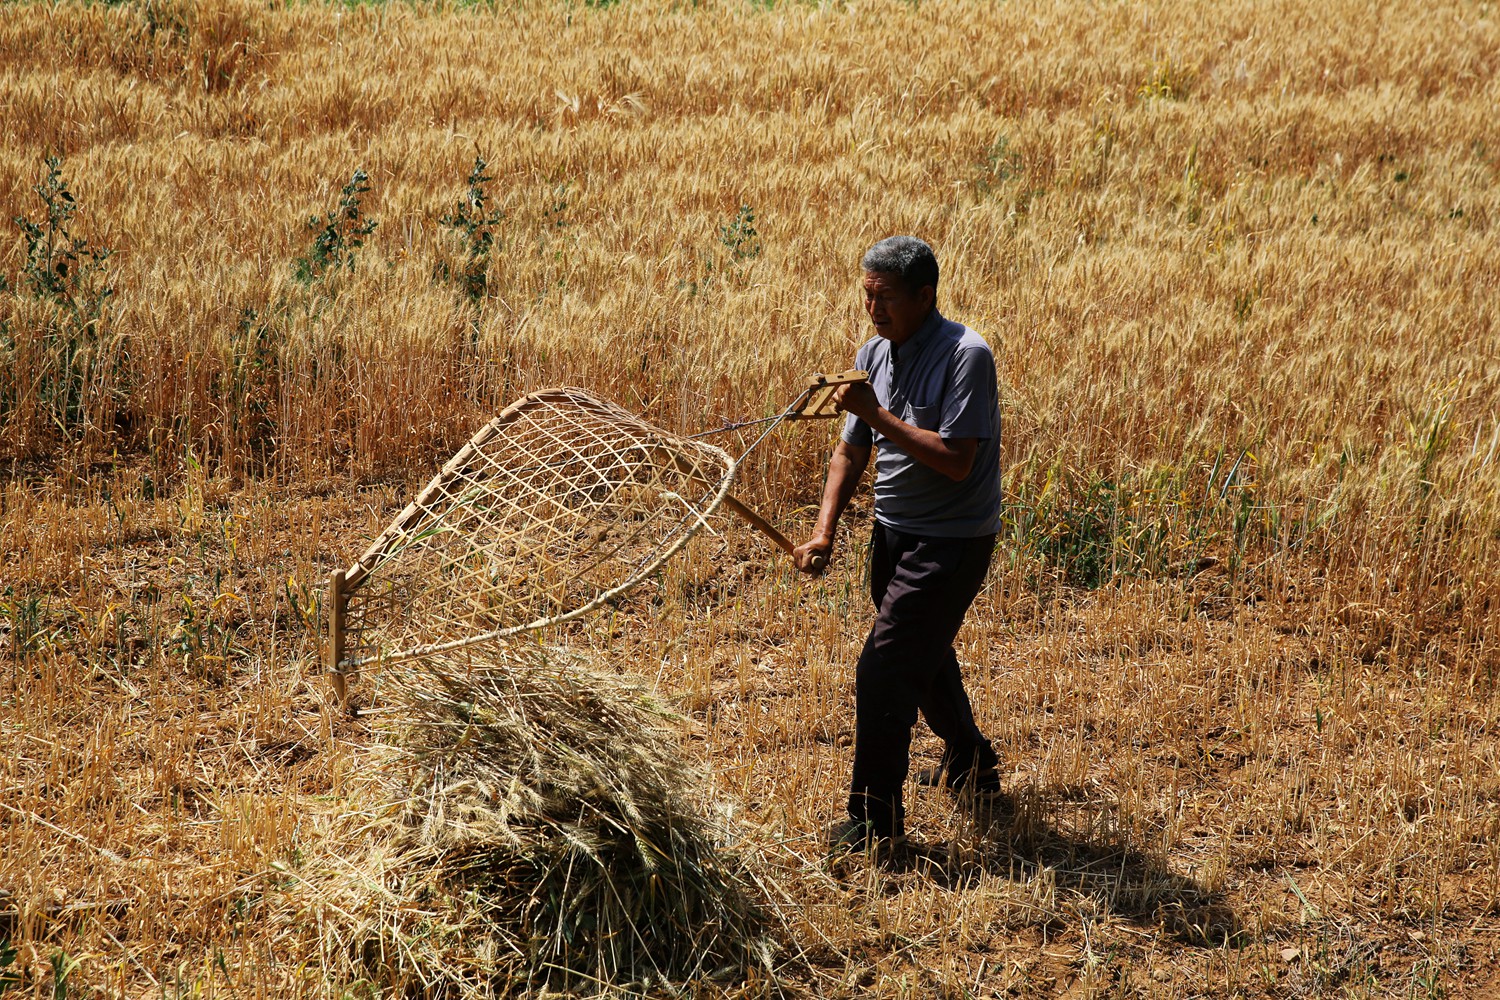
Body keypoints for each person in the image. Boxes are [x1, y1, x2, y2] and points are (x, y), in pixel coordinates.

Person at [793, 235, 1003, 853]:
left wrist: (876, 414)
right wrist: (824, 531)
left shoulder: (967, 356)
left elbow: (957, 461)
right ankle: (970, 755)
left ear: (924, 296)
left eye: (884, 298)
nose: (873, 309)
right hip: (894, 534)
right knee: (922, 653)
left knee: (884, 668)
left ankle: (873, 820)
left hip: (952, 541)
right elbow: (850, 450)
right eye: (866, 295)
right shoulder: (874, 355)